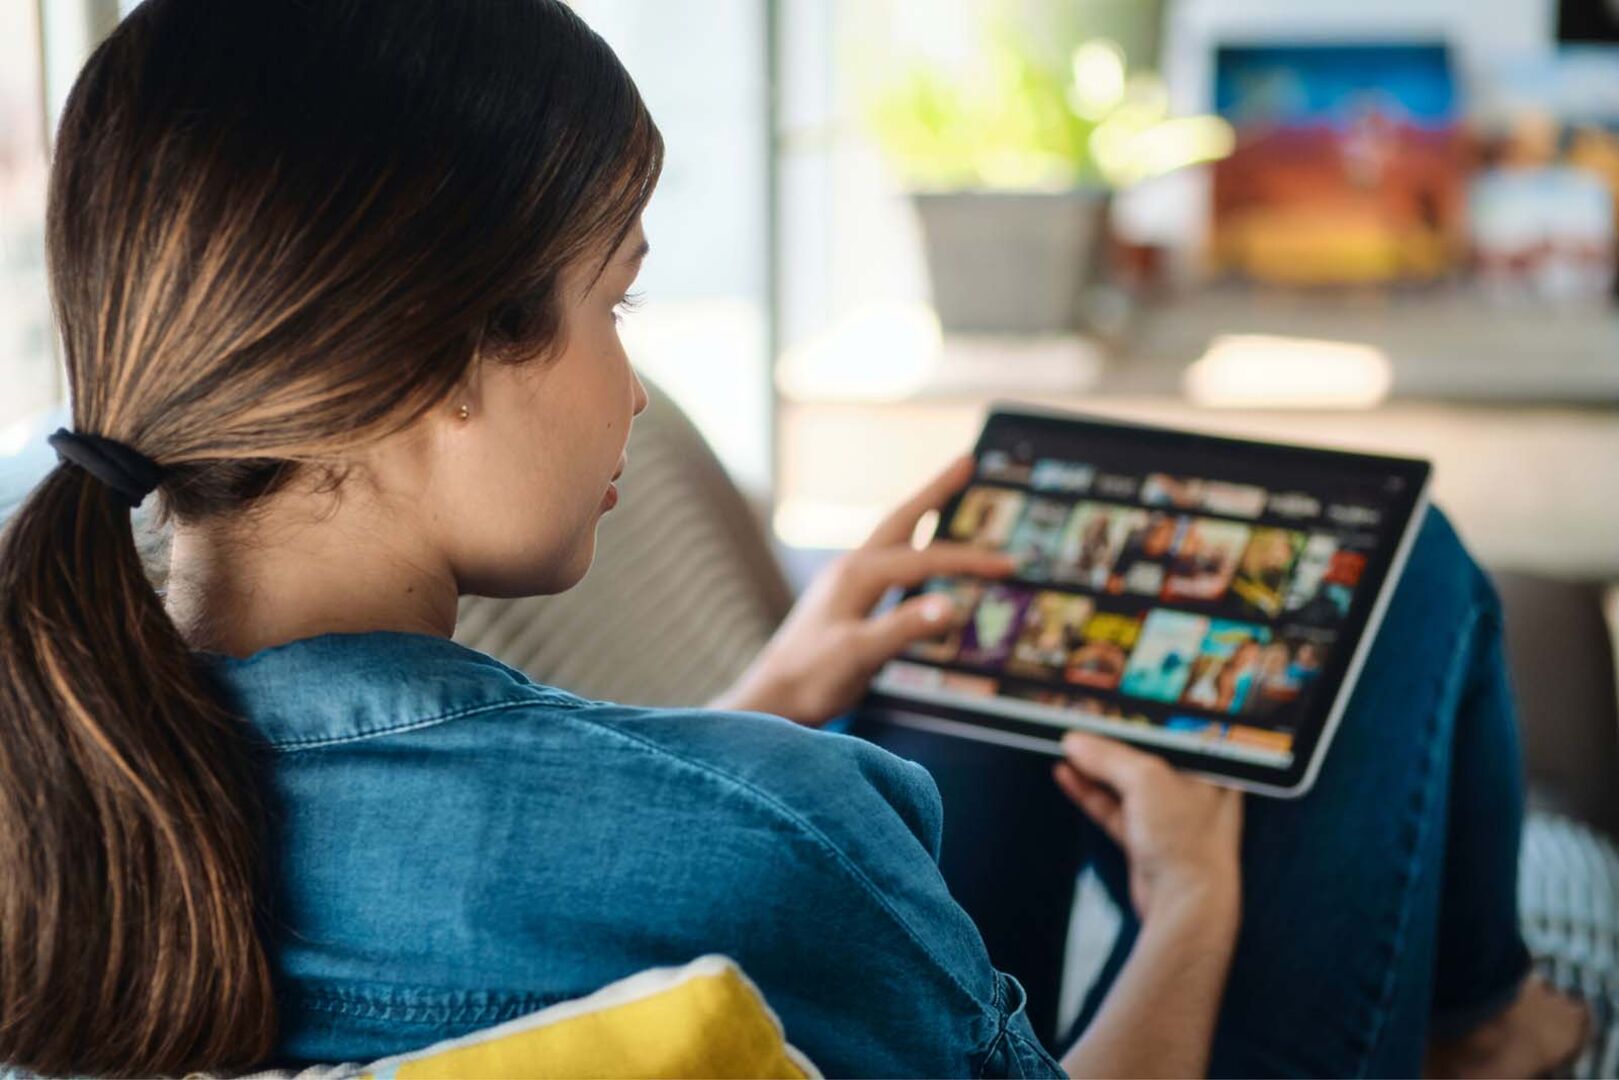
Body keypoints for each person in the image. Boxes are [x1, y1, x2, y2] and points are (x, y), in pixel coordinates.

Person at [0, 1, 1587, 1077]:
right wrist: (1193, 905)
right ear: (429, 368)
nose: (633, 385)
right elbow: (686, 878)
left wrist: (760, 695)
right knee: (1410, 576)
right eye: (611, 301)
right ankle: (1488, 1026)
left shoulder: (58, 769)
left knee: (953, 658)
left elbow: (516, 865)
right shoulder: (778, 838)